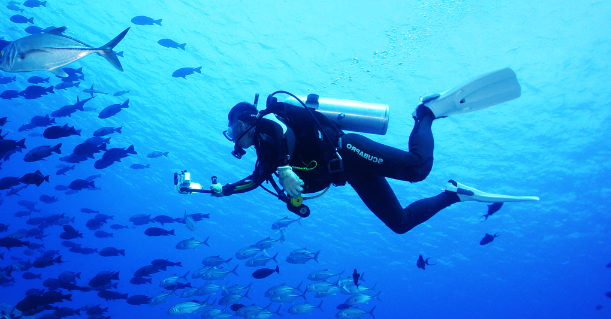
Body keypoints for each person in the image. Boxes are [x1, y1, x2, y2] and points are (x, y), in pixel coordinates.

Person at [212, 69, 539, 234]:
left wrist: (284, 167)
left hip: (348, 150)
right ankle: (454, 194)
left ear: (244, 122)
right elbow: (254, 180)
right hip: (349, 173)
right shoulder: (265, 156)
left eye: (231, 131)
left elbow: (278, 129)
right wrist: (223, 189)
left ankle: (425, 113)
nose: (232, 140)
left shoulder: (270, 122)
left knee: (417, 168)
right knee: (400, 223)